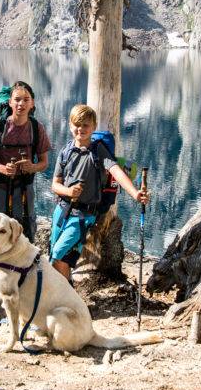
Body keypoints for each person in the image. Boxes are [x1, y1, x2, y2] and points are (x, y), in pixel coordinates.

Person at [50, 104, 150, 282]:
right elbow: (55, 185)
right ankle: (66, 295)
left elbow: (117, 172)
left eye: (85, 125)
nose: (80, 129)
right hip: (62, 210)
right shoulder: (65, 152)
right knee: (56, 258)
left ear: (94, 127)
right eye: (77, 124)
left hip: (83, 215)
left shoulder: (98, 151)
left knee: (59, 253)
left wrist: (135, 194)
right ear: (70, 125)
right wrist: (68, 191)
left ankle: (68, 298)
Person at [0, 81, 51, 242]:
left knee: (25, 227)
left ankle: (25, 264)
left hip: (24, 188)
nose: (21, 104)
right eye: (17, 99)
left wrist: (32, 167)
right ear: (10, 102)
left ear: (32, 103)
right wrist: (1, 168)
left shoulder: (37, 128)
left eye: (26, 99)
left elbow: (44, 162)